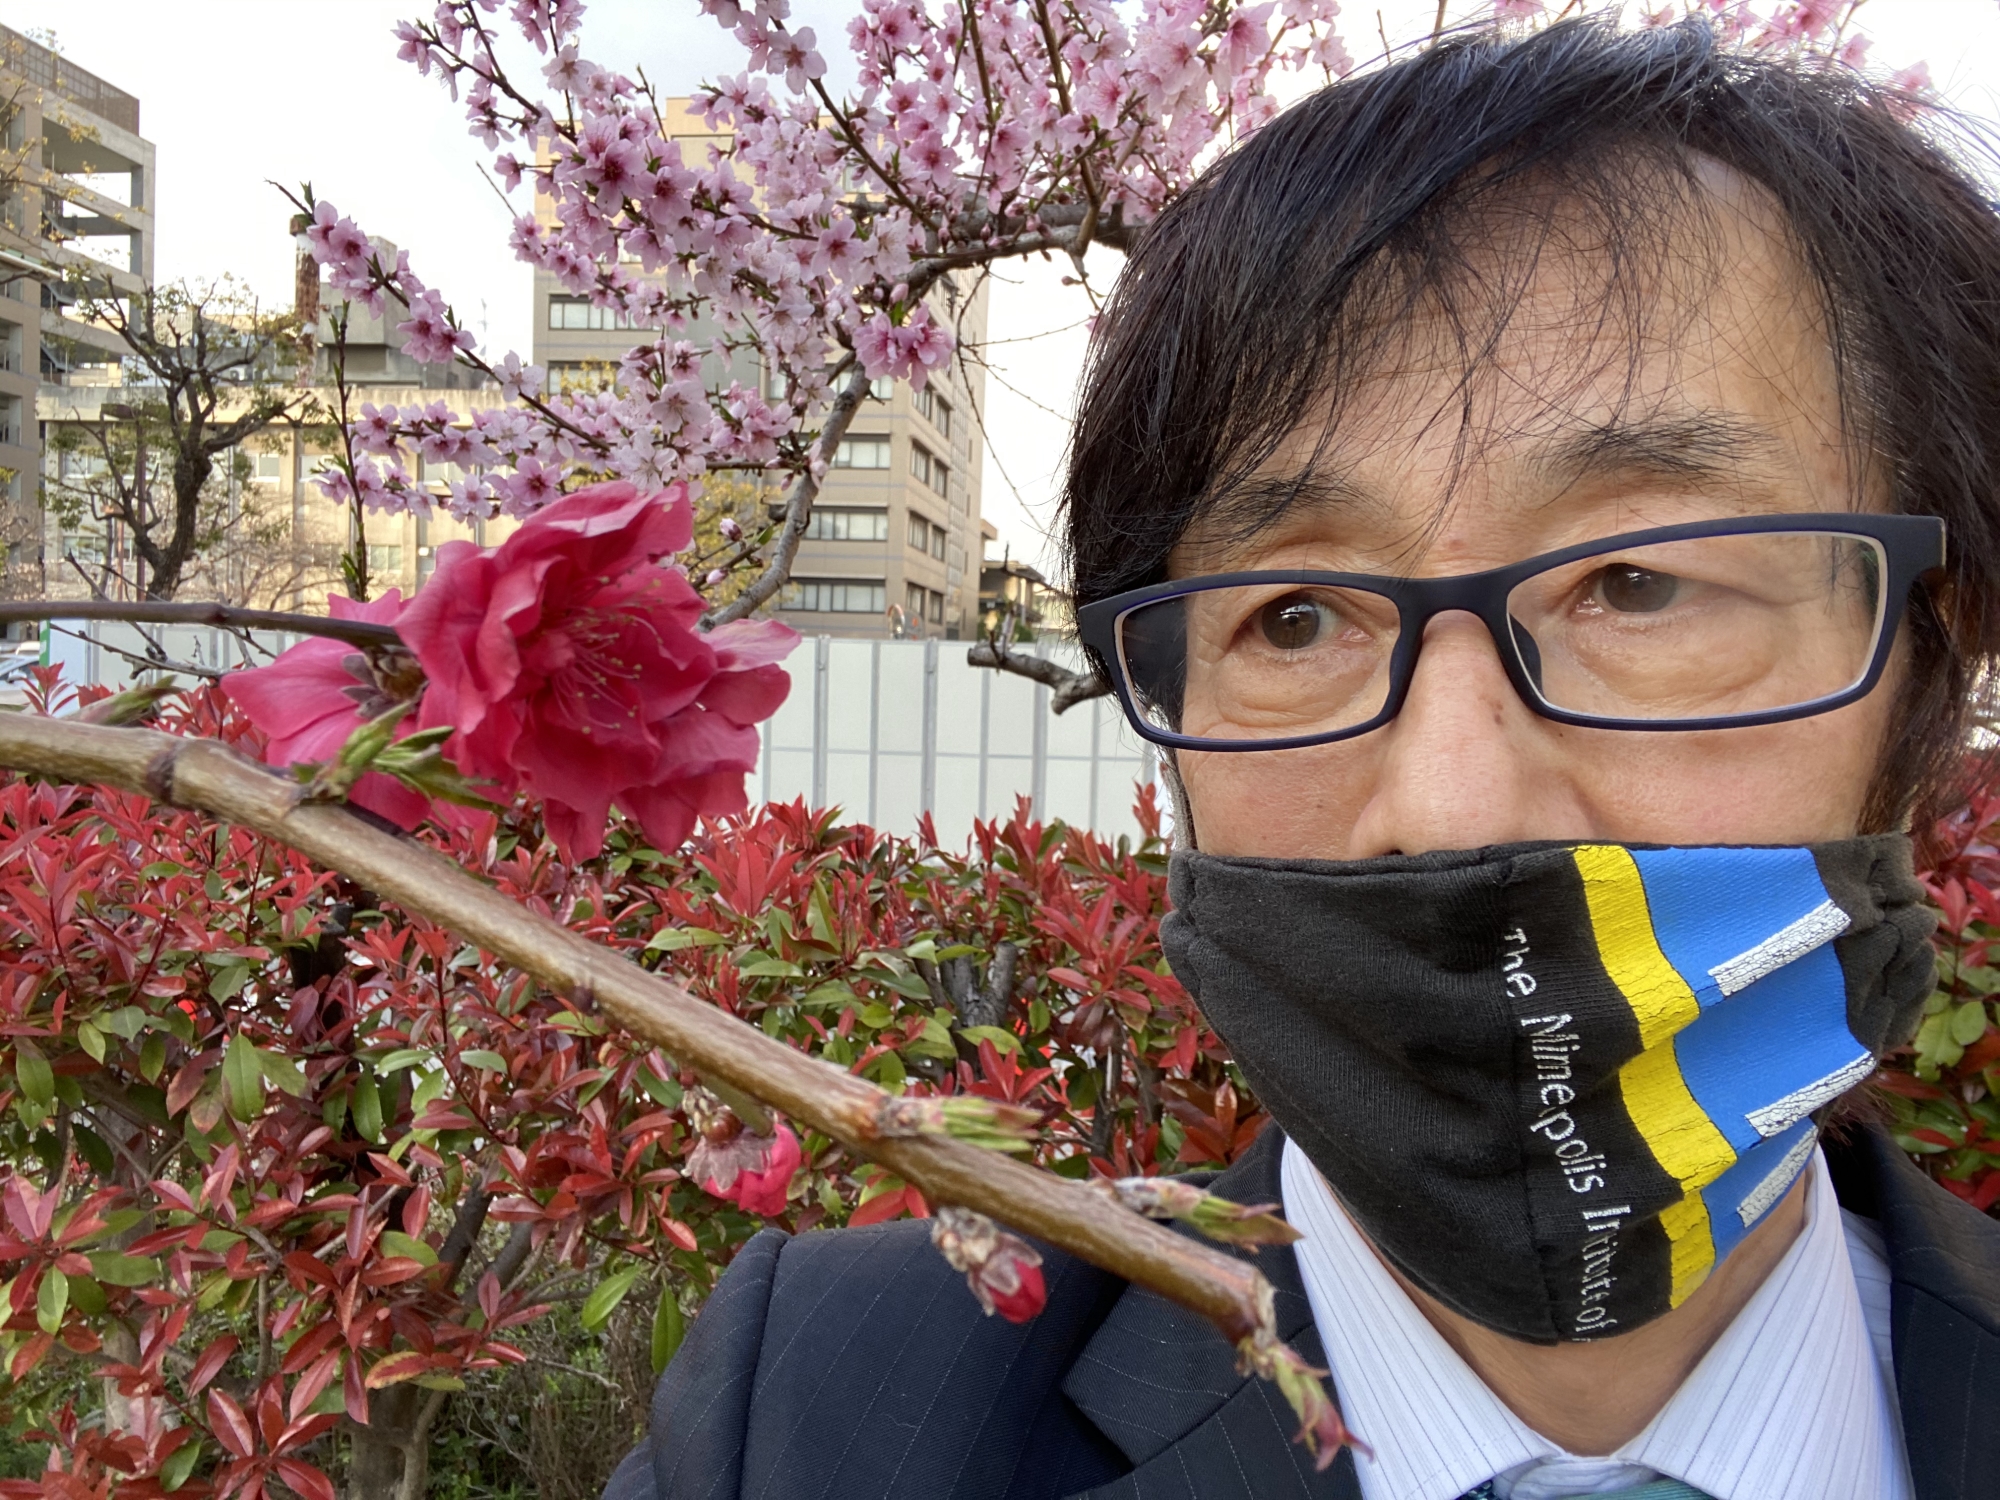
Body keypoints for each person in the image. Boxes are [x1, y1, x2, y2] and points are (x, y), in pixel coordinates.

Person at [605, 18, 2000, 1499]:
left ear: (1939, 650)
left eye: (1639, 584)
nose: (1451, 804)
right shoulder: (816, 1414)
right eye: (1294, 616)